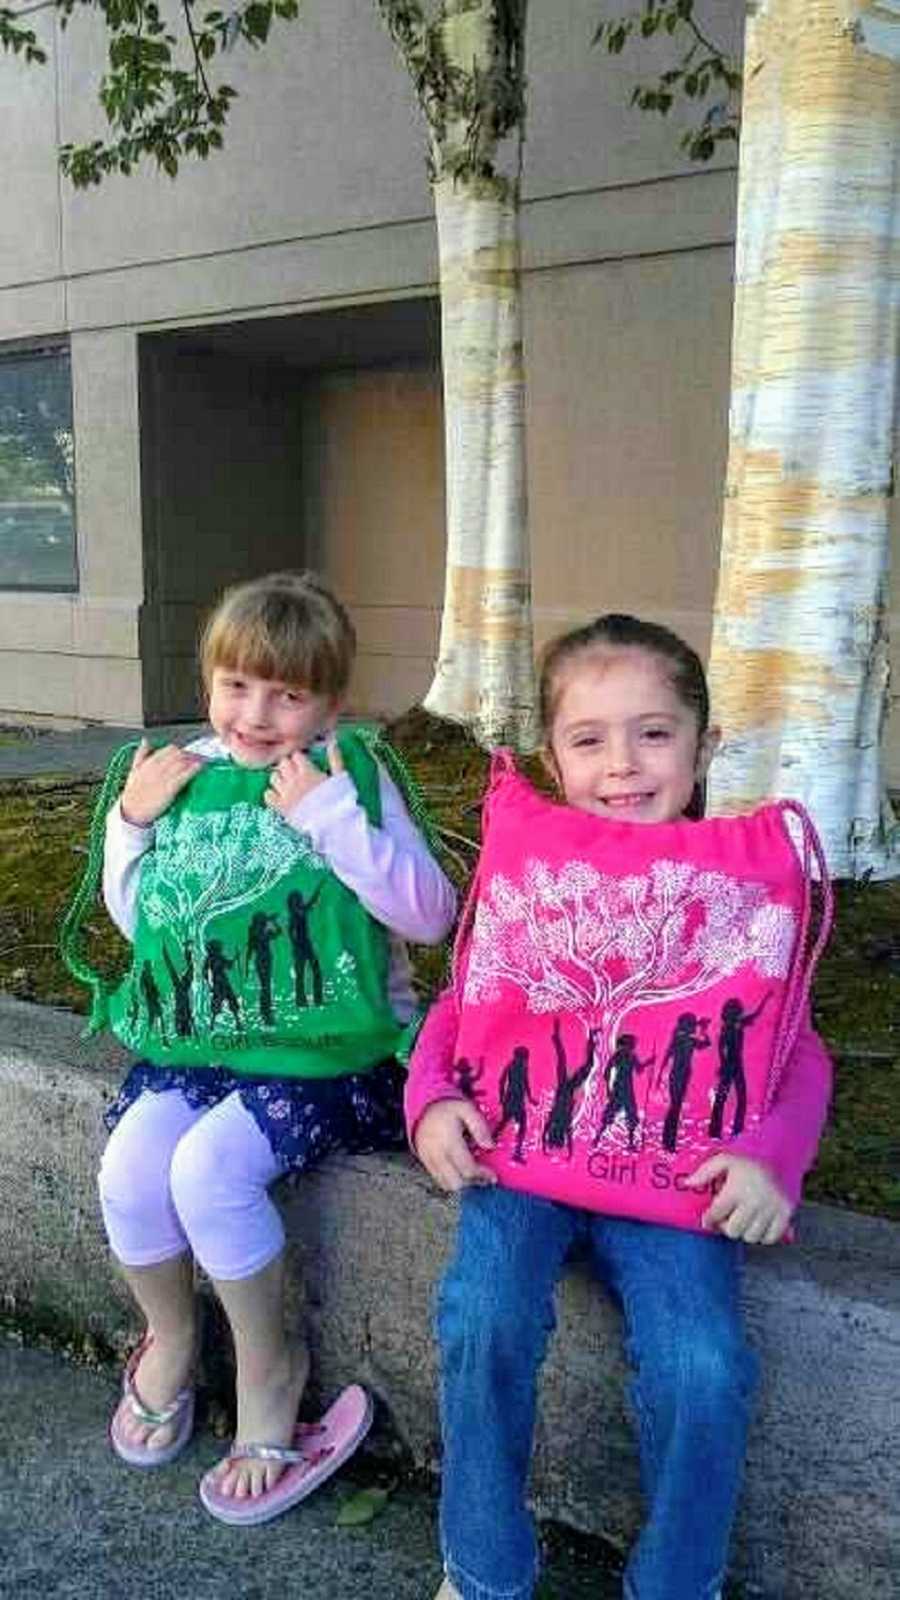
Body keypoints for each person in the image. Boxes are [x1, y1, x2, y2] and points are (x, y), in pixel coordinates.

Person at [405, 614, 832, 1600]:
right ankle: (480, 1565)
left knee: (703, 1363)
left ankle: (682, 1581)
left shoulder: (745, 884)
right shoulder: (536, 861)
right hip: (523, 1157)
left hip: (678, 1180)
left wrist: (771, 1156)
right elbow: (467, 1003)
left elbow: (794, 1049)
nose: (624, 763)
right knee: (481, 1315)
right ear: (552, 755)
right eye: (588, 738)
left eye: (655, 732)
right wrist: (431, 1102)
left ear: (705, 745)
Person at [93, 570, 456, 1525]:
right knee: (133, 1165)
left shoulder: (347, 774)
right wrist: (132, 824)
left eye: (289, 694)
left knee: (209, 1168)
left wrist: (330, 820)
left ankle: (271, 1371)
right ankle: (168, 1336)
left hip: (329, 1050)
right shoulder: (185, 775)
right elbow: (147, 930)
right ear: (209, 679)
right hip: (206, 1037)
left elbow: (428, 913)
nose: (257, 714)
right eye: (237, 686)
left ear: (330, 702)